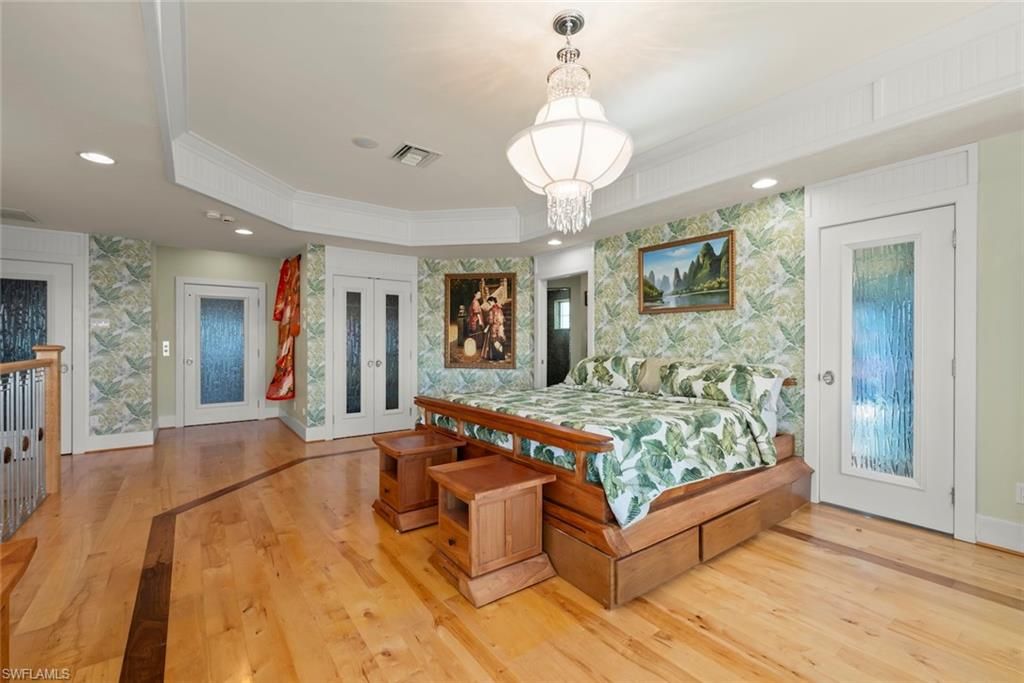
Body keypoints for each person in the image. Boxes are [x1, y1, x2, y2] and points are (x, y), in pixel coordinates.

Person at [482, 295, 506, 361]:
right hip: (500, 327)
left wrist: (488, 324)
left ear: (492, 301)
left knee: (495, 341)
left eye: (490, 303)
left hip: (494, 327)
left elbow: (491, 320)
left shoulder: (492, 310)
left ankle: (495, 357)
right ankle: (501, 357)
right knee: (499, 341)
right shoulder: (500, 309)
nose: (489, 304)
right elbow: (501, 319)